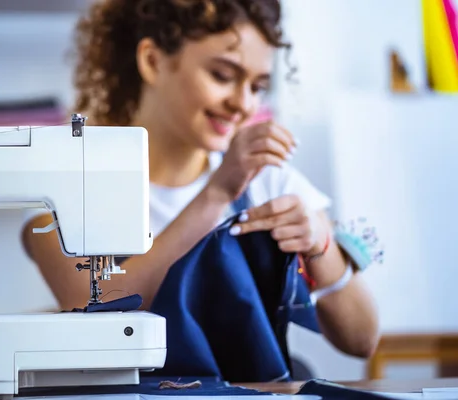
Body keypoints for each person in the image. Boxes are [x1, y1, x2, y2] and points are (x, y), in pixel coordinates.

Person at [22, 0, 379, 359]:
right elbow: (85, 303)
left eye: (257, 87)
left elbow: (362, 341)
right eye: (223, 76)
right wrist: (217, 194)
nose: (243, 104)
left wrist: (321, 247)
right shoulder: (69, 192)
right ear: (153, 61)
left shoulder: (266, 182)